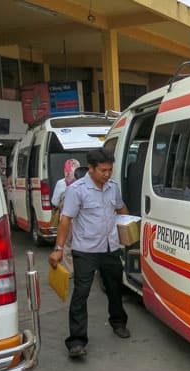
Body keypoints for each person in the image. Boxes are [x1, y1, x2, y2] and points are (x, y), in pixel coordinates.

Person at [48, 149, 130, 359]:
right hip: (85, 250)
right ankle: (76, 341)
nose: (107, 174)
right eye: (103, 170)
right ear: (91, 169)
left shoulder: (113, 188)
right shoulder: (77, 190)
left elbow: (121, 209)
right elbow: (65, 220)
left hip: (110, 247)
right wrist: (58, 250)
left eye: (110, 170)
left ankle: (118, 322)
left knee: (115, 287)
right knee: (81, 294)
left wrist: (130, 230)